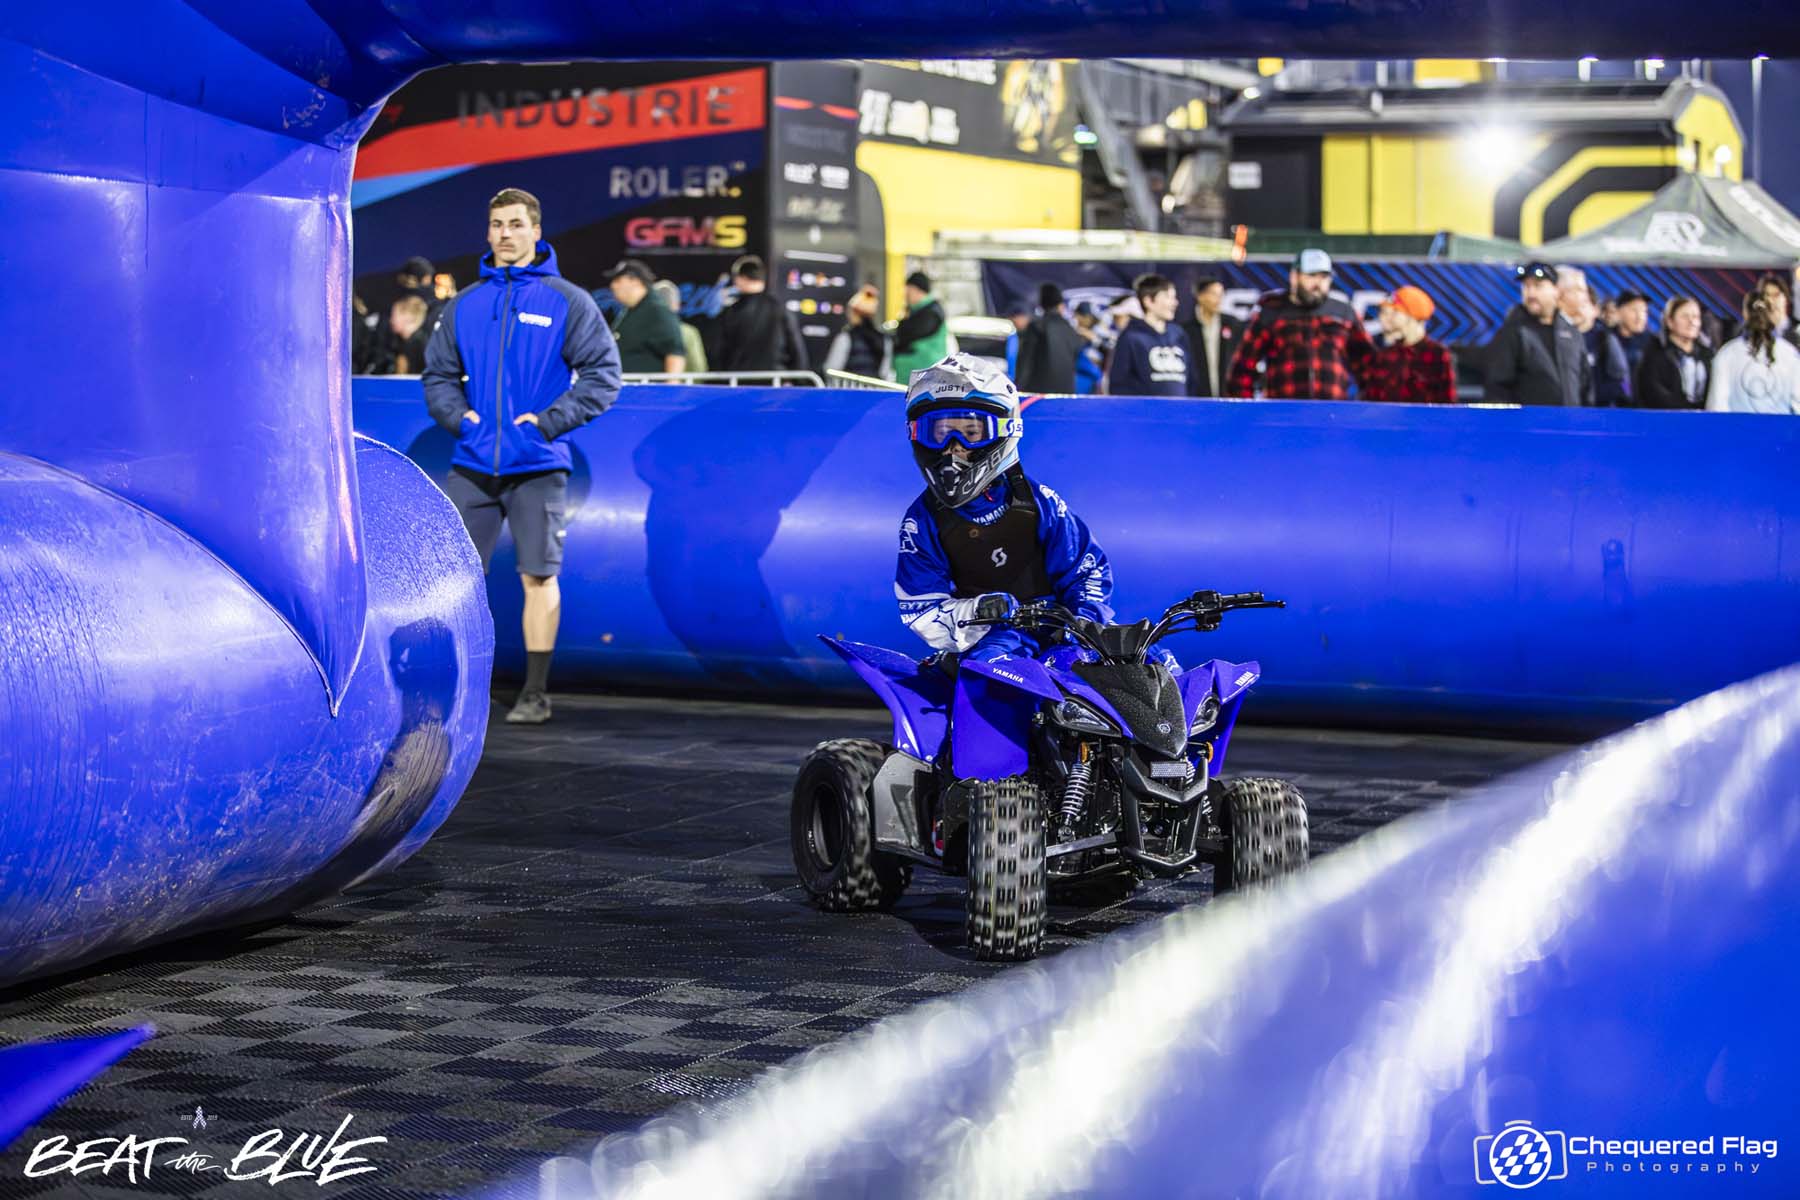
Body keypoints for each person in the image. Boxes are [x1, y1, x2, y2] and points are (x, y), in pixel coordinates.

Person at [423, 187, 622, 725]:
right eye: (497, 224)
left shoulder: (567, 300)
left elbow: (604, 377)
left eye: (515, 224)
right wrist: (462, 419)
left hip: (538, 465)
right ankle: (461, 689)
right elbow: (438, 376)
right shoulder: (466, 303)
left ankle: (534, 692)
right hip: (472, 464)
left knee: (538, 577)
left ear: (536, 231)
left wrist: (548, 423)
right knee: (455, 581)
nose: (505, 234)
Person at [894, 354, 1114, 668]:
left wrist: (1084, 624)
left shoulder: (1038, 502)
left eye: (971, 433)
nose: (955, 448)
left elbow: (1086, 570)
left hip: (1063, 631)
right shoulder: (923, 520)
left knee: (1150, 660)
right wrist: (979, 610)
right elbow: (922, 608)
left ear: (1004, 429)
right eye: (940, 433)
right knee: (991, 670)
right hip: (993, 637)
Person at [1225, 249, 1374, 400]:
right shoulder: (1271, 312)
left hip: (1332, 411)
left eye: (1324, 277)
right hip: (1284, 410)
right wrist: (1247, 410)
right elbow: (1242, 369)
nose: (1318, 283)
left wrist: (1365, 409)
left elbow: (1369, 366)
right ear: (1294, 277)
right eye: (1311, 275)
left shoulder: (1344, 313)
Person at [1483, 262, 1592, 407]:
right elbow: (1497, 389)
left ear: (1556, 291)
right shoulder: (1512, 332)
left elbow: (1586, 385)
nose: (1531, 293)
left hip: (1571, 420)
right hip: (1529, 421)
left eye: (1538, 286)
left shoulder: (1572, 333)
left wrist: (1585, 417)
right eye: (1526, 287)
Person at [1706, 291, 1800, 415]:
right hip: (1783, 428)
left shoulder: (1726, 353)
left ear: (1745, 313)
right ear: (1772, 314)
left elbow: (1716, 407)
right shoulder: (1790, 354)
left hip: (1737, 427)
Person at [1106, 273, 1198, 397]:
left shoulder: (1179, 334)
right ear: (1148, 301)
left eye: (1174, 297)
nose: (1175, 302)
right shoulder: (1130, 337)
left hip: (1180, 408)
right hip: (1145, 409)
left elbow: (1191, 379)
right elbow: (1118, 384)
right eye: (1168, 297)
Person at [1360, 286, 1456, 404]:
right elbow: (1369, 403)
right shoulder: (1382, 356)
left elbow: (1447, 405)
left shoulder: (1437, 354)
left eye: (1393, 313)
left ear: (1413, 317)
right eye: (1383, 313)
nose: (1383, 320)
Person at [715, 254, 808, 375]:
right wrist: (798, 382)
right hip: (775, 381)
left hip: (740, 381)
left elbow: (720, 353)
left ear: (741, 279)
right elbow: (797, 353)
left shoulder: (731, 312)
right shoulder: (781, 310)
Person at [1558, 270, 1630, 407]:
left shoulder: (1605, 339)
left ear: (1595, 310)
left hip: (1599, 411)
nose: (1579, 308)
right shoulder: (1562, 337)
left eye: (1585, 304)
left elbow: (1623, 383)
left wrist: (1589, 395)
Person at [603, 259, 686, 375]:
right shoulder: (631, 310)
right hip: (628, 384)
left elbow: (675, 352)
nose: (613, 286)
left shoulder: (656, 310)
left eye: (617, 280)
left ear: (635, 281)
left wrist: (672, 384)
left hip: (646, 386)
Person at [1634, 295, 1712, 411]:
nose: (1692, 322)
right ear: (1670, 322)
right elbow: (1653, 394)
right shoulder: (1653, 352)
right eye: (1685, 316)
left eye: (1696, 317)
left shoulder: (1708, 354)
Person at [1012, 283, 1086, 395]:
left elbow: (1025, 361)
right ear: (1060, 304)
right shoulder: (1070, 329)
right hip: (1066, 393)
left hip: (1038, 394)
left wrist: (1018, 389)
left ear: (1041, 304)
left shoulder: (1036, 327)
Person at [1182, 275, 1244, 397]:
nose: (1219, 300)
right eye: (1214, 294)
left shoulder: (1233, 324)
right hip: (1198, 398)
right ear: (1200, 296)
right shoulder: (1186, 330)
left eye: (1221, 295)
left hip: (1228, 396)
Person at [824, 284, 891, 379]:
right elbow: (885, 373)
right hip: (874, 388)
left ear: (854, 313)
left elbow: (831, 369)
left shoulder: (845, 338)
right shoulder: (884, 339)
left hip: (848, 388)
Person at [892, 271, 949, 383]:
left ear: (916, 289)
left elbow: (907, 334)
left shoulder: (930, 312)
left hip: (923, 377)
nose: (905, 296)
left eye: (908, 292)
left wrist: (903, 323)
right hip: (916, 376)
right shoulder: (921, 310)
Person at [650, 279, 708, 374]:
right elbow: (698, 368)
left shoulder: (638, 331)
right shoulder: (688, 332)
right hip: (681, 382)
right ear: (677, 305)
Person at [1612, 289, 1654, 375]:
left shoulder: (1652, 342)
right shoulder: (1605, 339)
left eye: (1644, 311)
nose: (1640, 317)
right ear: (1619, 312)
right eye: (1634, 310)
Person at [1071, 301, 1105, 395]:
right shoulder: (1072, 334)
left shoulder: (1097, 334)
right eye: (1088, 317)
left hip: (1096, 382)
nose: (1091, 321)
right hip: (1080, 380)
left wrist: (1096, 340)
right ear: (1078, 316)